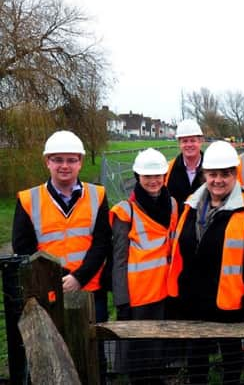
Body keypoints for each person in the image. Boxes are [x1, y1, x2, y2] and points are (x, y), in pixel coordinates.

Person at [167, 140, 244, 384]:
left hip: (231, 303)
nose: (218, 180)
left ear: (235, 174)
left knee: (231, 359)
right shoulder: (191, 205)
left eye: (225, 174)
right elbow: (181, 250)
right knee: (197, 357)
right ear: (205, 174)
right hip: (194, 300)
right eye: (213, 174)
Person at [12, 130, 112, 324]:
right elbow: (23, 248)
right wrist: (59, 278)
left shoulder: (97, 195)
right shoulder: (28, 199)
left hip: (90, 289)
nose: (65, 166)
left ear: (80, 162)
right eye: (58, 160)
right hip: (48, 290)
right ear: (47, 162)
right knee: (53, 350)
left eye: (71, 160)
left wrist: (78, 278)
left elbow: (102, 243)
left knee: (94, 351)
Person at [110, 148, 178, 384]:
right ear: (138, 176)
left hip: (164, 292)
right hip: (137, 298)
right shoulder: (125, 211)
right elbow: (119, 260)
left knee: (158, 352)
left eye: (158, 175)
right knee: (138, 358)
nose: (153, 181)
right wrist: (122, 301)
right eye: (148, 176)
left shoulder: (172, 205)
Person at [166, 118, 205, 215]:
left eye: (193, 140)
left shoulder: (211, 167)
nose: (189, 145)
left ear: (200, 141)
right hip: (176, 227)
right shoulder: (169, 168)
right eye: (185, 141)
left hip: (204, 227)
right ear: (179, 143)